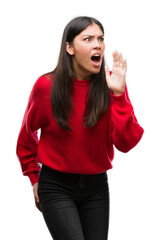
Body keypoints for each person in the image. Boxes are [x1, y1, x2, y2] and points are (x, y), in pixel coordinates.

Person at [16, 16, 144, 240]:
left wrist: (119, 95)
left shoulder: (111, 85)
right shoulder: (47, 86)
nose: (98, 44)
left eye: (101, 38)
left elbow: (126, 143)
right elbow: (26, 137)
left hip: (96, 186)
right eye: (88, 39)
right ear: (70, 48)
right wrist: (34, 177)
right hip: (56, 186)